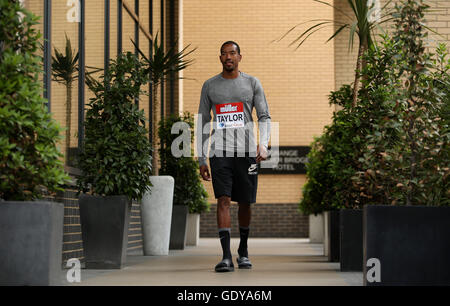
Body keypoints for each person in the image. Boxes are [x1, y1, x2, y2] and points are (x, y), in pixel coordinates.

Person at [196, 41, 271, 272]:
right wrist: (201, 158)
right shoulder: (210, 86)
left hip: (247, 153)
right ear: (220, 58)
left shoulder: (252, 83)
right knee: (223, 200)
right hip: (220, 153)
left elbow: (264, 116)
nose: (228, 57)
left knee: (245, 202)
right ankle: (226, 256)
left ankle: (244, 251)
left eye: (232, 53)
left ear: (240, 57)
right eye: (224, 53)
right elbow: (203, 122)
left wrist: (264, 144)